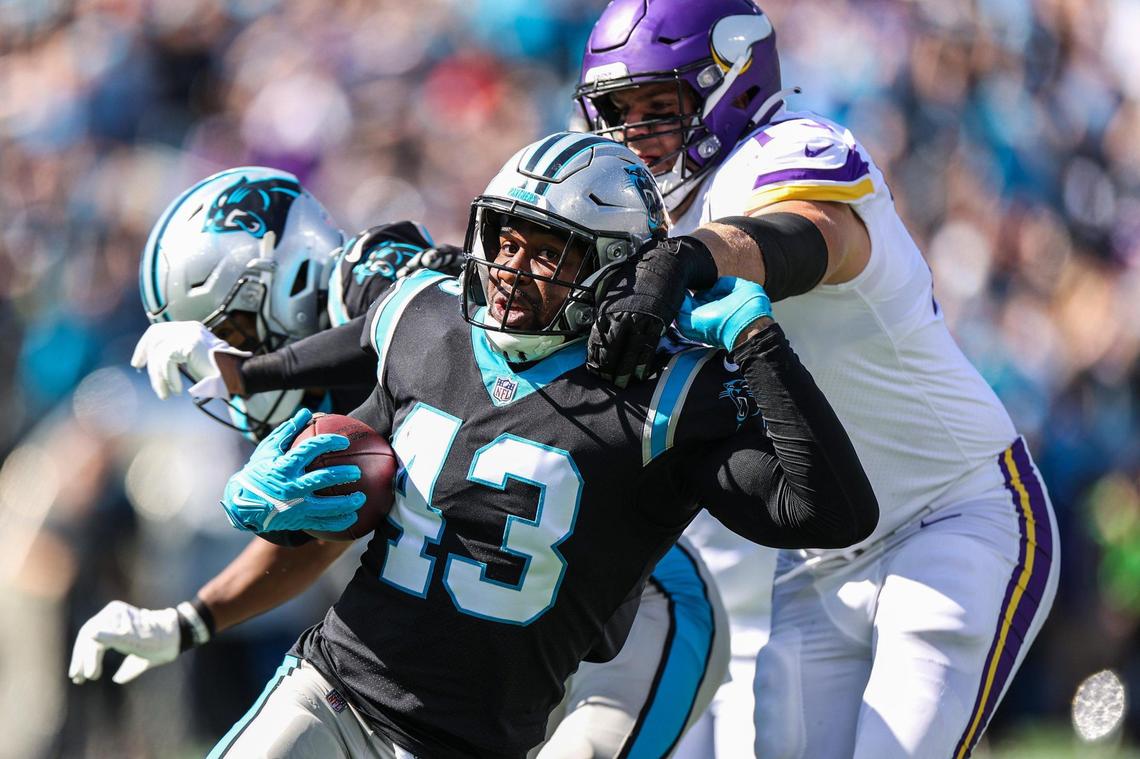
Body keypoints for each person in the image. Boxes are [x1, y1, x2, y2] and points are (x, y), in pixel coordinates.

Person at [207, 133, 878, 758]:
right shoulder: (426, 318)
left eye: (546, 250)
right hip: (332, 690)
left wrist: (759, 344)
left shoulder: (665, 398)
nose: (509, 267)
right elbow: (352, 455)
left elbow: (835, 513)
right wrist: (277, 483)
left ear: (616, 269)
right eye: (503, 238)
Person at [71, 162, 734, 757]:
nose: (224, 357)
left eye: (235, 329)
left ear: (285, 280)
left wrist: (246, 369)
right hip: (476, 644)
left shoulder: (396, 293)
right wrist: (189, 619)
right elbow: (329, 529)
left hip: (638, 606)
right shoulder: (354, 367)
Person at [573, 2, 1059, 757]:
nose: (634, 133)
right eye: (616, 110)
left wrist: (694, 257)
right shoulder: (637, 221)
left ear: (728, 85)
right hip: (815, 561)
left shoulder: (789, 147)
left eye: (658, 107)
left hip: (955, 513)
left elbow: (813, 235)